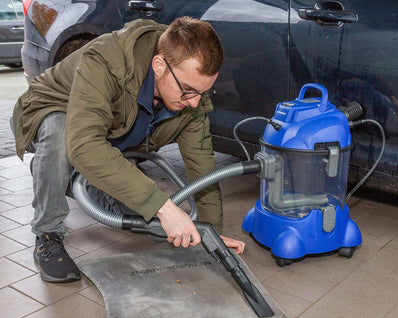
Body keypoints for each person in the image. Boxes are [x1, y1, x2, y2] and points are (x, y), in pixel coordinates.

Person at [12, 16, 246, 283]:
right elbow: (84, 144)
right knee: (60, 131)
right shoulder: (105, 60)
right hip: (50, 111)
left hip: (111, 132)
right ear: (159, 65)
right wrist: (164, 206)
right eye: (188, 91)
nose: (194, 103)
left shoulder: (190, 96)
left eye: (202, 93)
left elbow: (202, 169)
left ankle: (59, 176)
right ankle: (48, 234)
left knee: (139, 215)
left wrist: (211, 233)